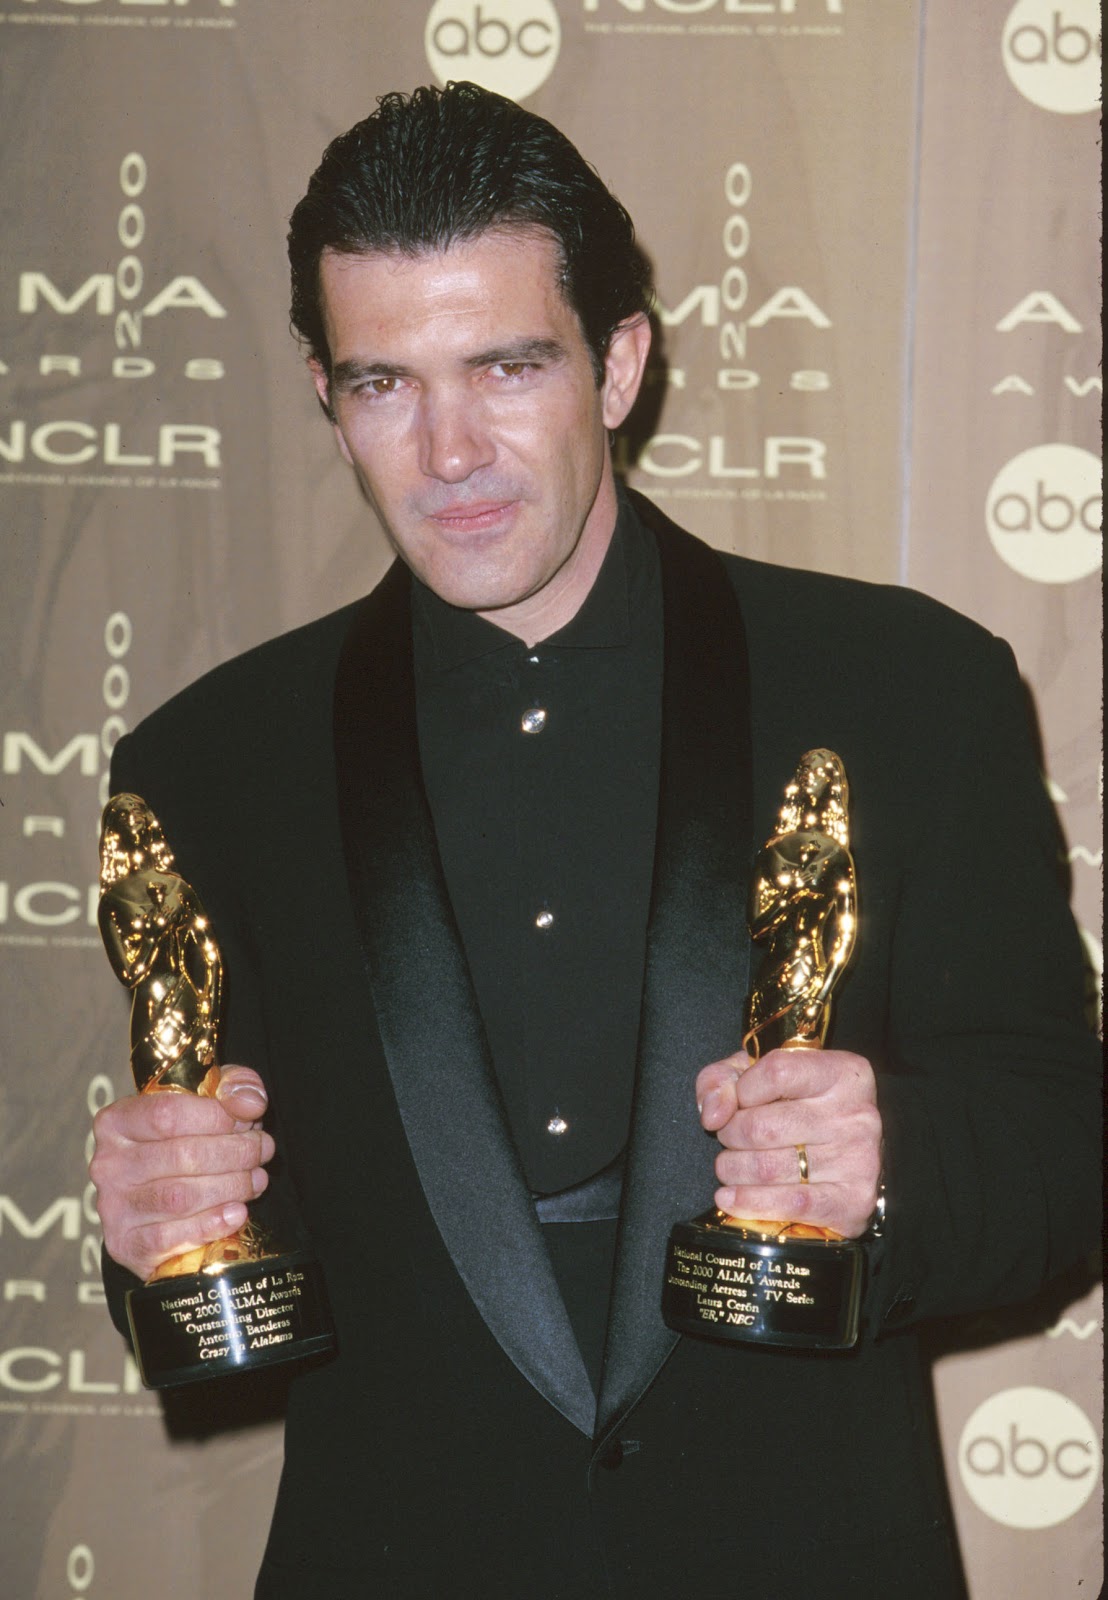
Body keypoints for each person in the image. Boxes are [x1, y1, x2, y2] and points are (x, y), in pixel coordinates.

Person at [89, 83, 1099, 1599]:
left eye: (506, 366)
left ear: (619, 364)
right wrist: (164, 1218)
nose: (448, 452)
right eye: (383, 384)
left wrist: (885, 1171)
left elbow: (1062, 1152)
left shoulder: (910, 689)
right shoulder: (205, 764)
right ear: (324, 393)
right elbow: (237, 1257)